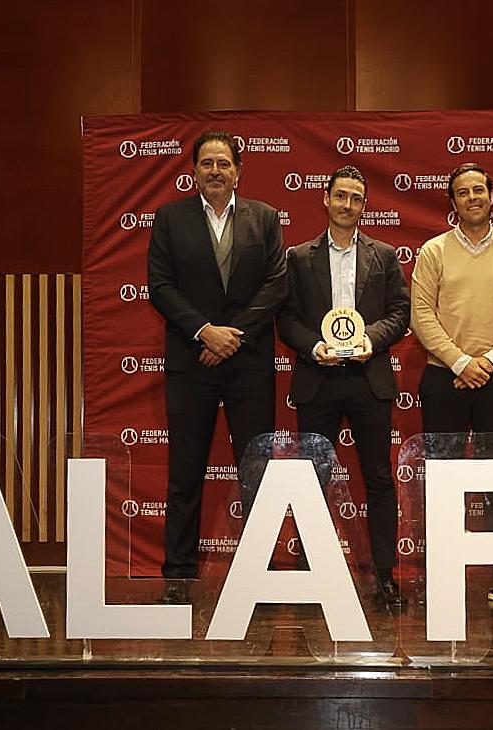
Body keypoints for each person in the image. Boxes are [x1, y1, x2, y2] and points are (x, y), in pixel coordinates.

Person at [148, 130, 287, 604]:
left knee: (257, 473)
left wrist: (231, 336)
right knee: (185, 474)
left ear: (238, 170)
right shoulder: (170, 219)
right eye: (206, 163)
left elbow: (274, 287)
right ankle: (179, 575)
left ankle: (260, 577)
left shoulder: (265, 219)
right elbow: (160, 286)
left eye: (223, 163)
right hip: (193, 363)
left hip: (247, 365)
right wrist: (205, 331)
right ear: (194, 171)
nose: (215, 171)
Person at [278, 165, 410, 607]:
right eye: (340, 196)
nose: (347, 204)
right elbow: (287, 318)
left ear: (363, 205)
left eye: (356, 197)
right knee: (311, 480)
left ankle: (385, 577)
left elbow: (400, 312)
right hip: (318, 377)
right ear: (326, 200)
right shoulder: (298, 257)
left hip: (368, 379)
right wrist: (314, 345)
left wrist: (371, 339)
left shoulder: (385, 256)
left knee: (378, 479)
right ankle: (305, 576)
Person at [410, 162, 493, 608]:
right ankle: (439, 574)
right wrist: (461, 360)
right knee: (441, 480)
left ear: (491, 195)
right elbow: (421, 314)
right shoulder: (433, 251)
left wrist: (491, 359)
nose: (472, 198)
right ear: (452, 201)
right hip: (444, 379)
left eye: (479, 190)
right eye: (462, 192)